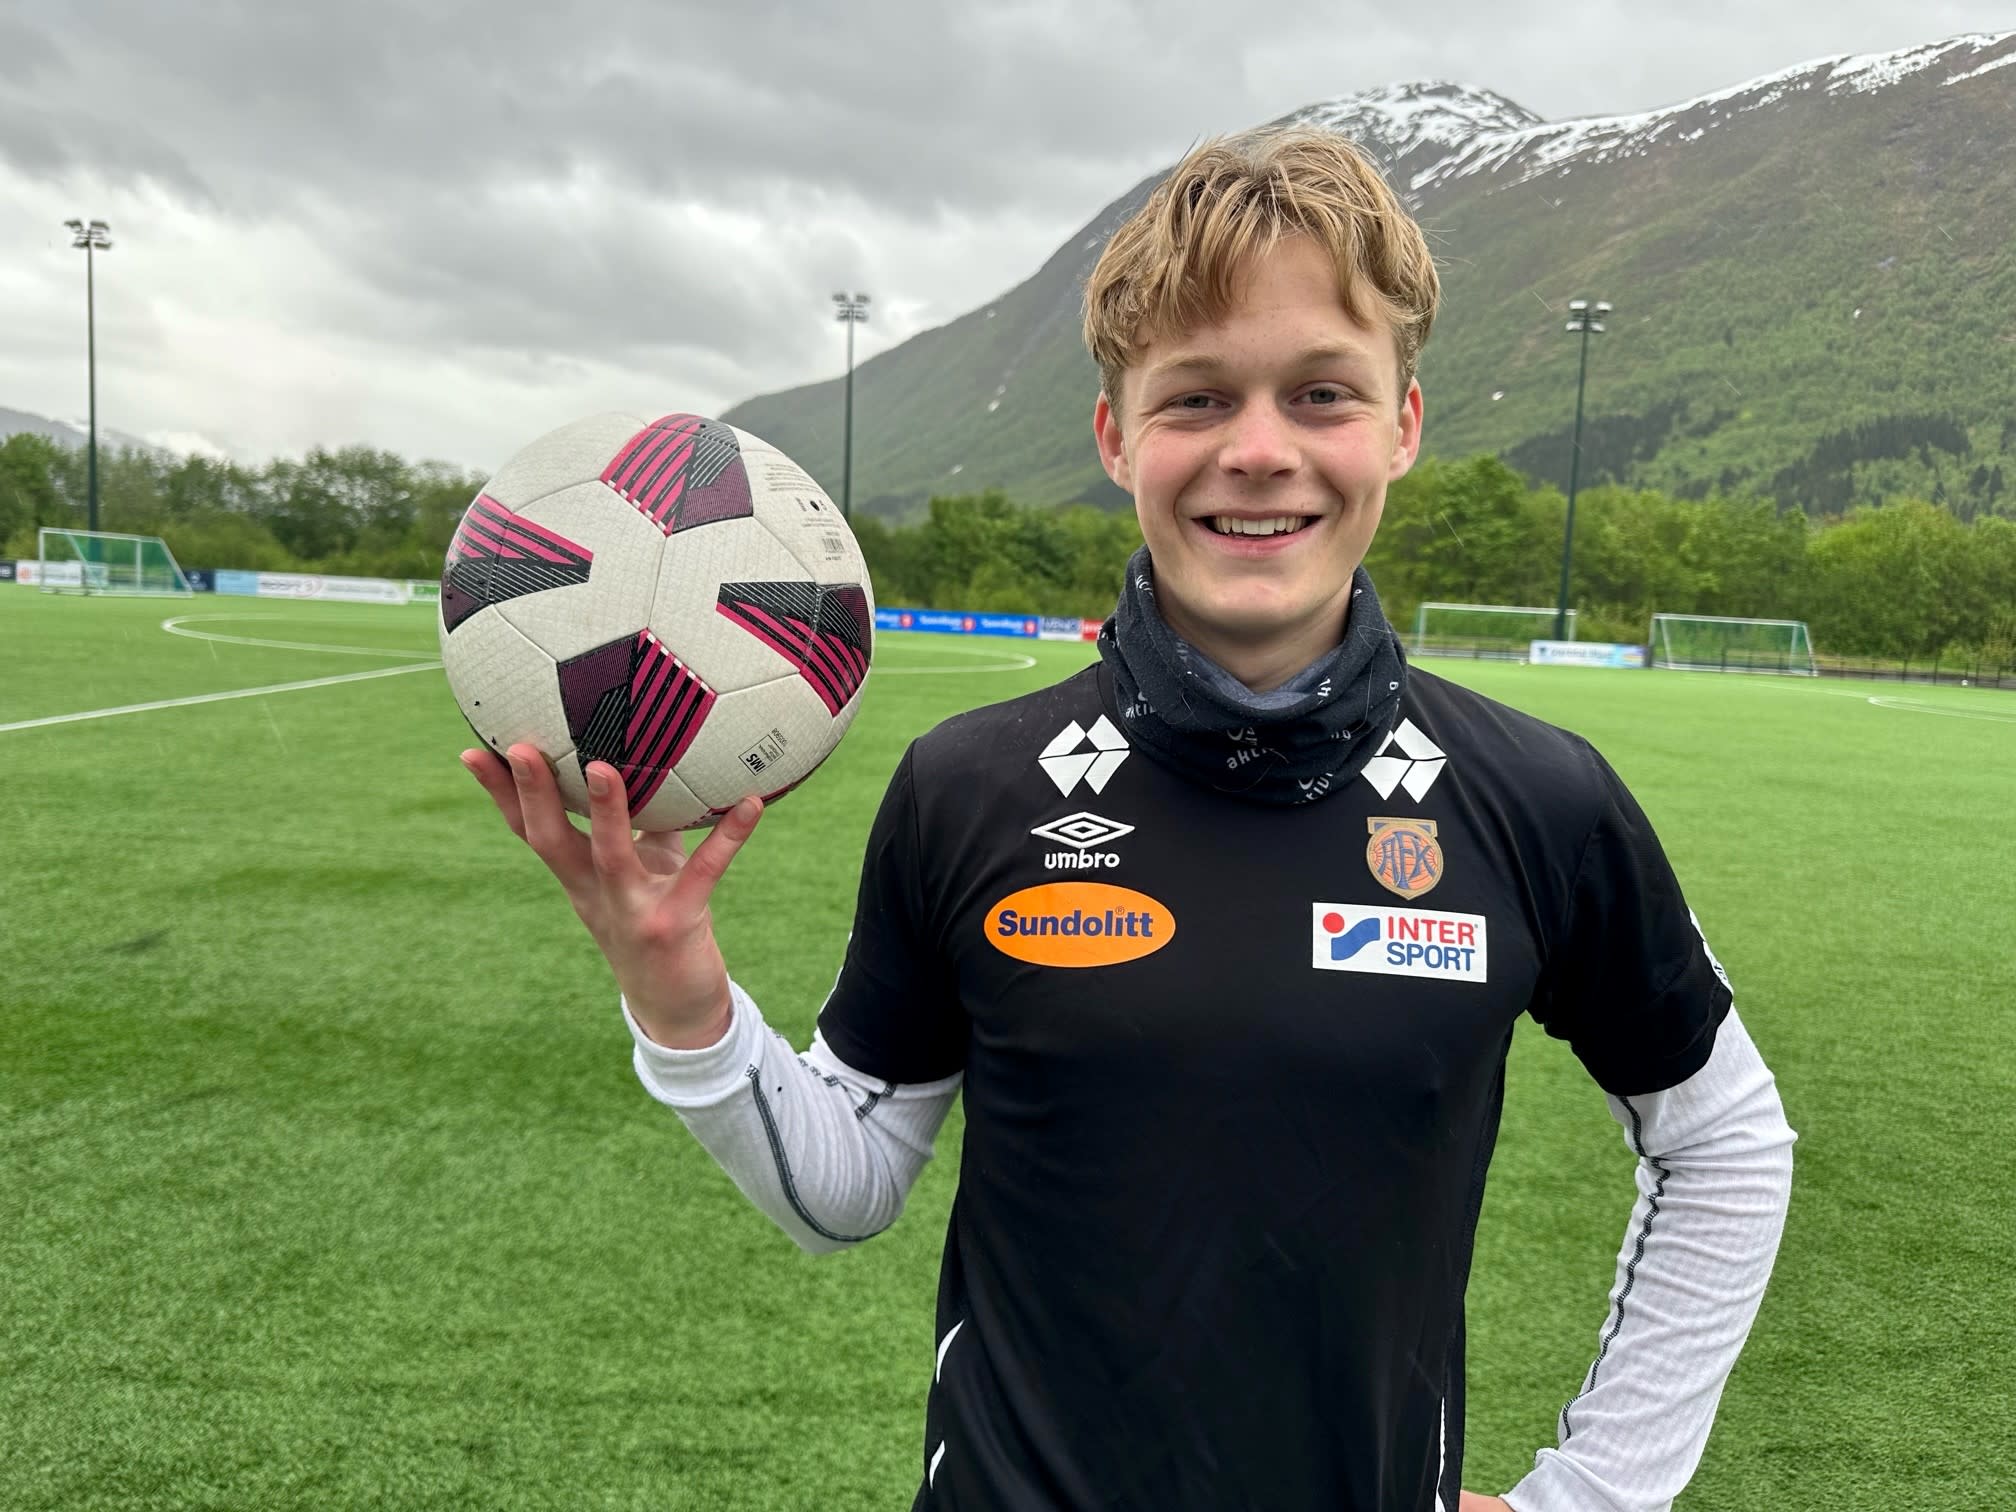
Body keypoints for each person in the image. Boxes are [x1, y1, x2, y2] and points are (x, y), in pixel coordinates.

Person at [462, 127, 1795, 1512]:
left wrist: (1595, 1494)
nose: (1260, 452)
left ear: (1403, 423)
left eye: (1322, 394)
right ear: (1116, 436)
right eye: (1197, 399)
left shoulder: (1537, 798)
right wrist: (680, 992)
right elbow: (843, 1189)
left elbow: (1726, 1143)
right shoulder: (969, 786)